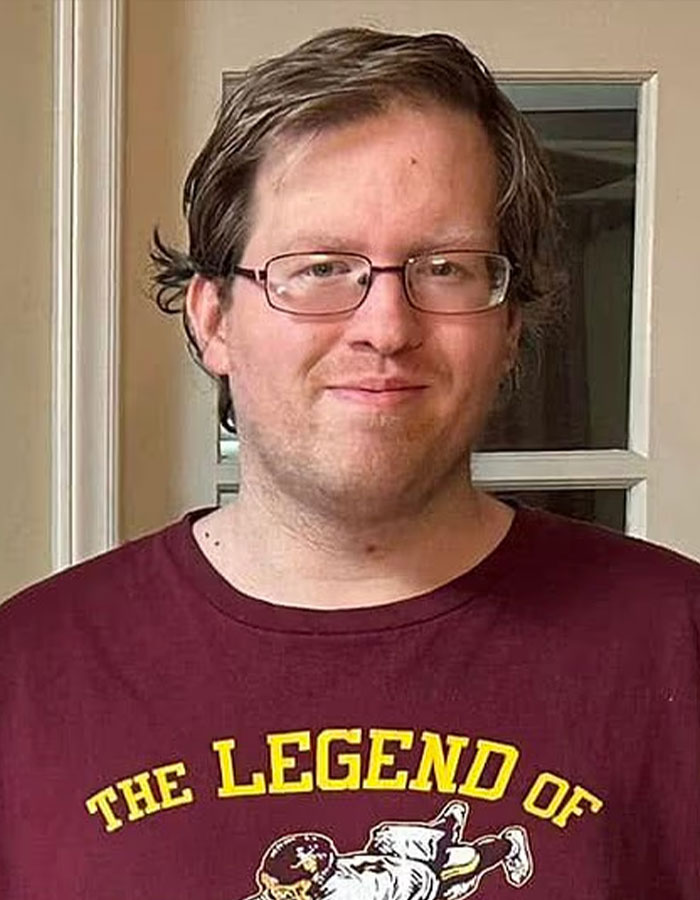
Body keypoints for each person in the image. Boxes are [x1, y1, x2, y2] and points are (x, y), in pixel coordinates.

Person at [0, 26, 698, 900]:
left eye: (445, 267)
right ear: (212, 319)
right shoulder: (25, 677)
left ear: (510, 324)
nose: (384, 326)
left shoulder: (679, 647)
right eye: (319, 266)